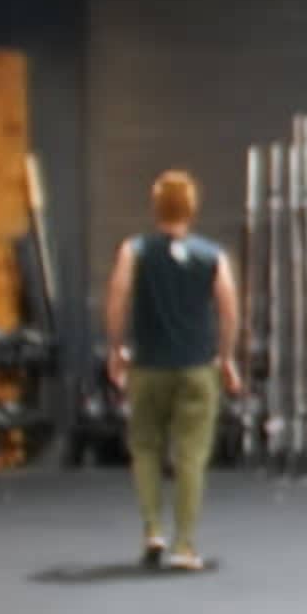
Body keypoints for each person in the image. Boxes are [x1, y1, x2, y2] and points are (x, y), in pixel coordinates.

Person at [104, 169, 243, 572]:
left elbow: (117, 298)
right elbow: (229, 310)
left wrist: (116, 349)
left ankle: (153, 530)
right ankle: (184, 545)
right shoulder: (212, 256)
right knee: (190, 457)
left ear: (156, 207)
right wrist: (226, 357)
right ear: (192, 209)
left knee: (146, 449)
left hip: (148, 367)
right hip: (197, 368)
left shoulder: (134, 251)